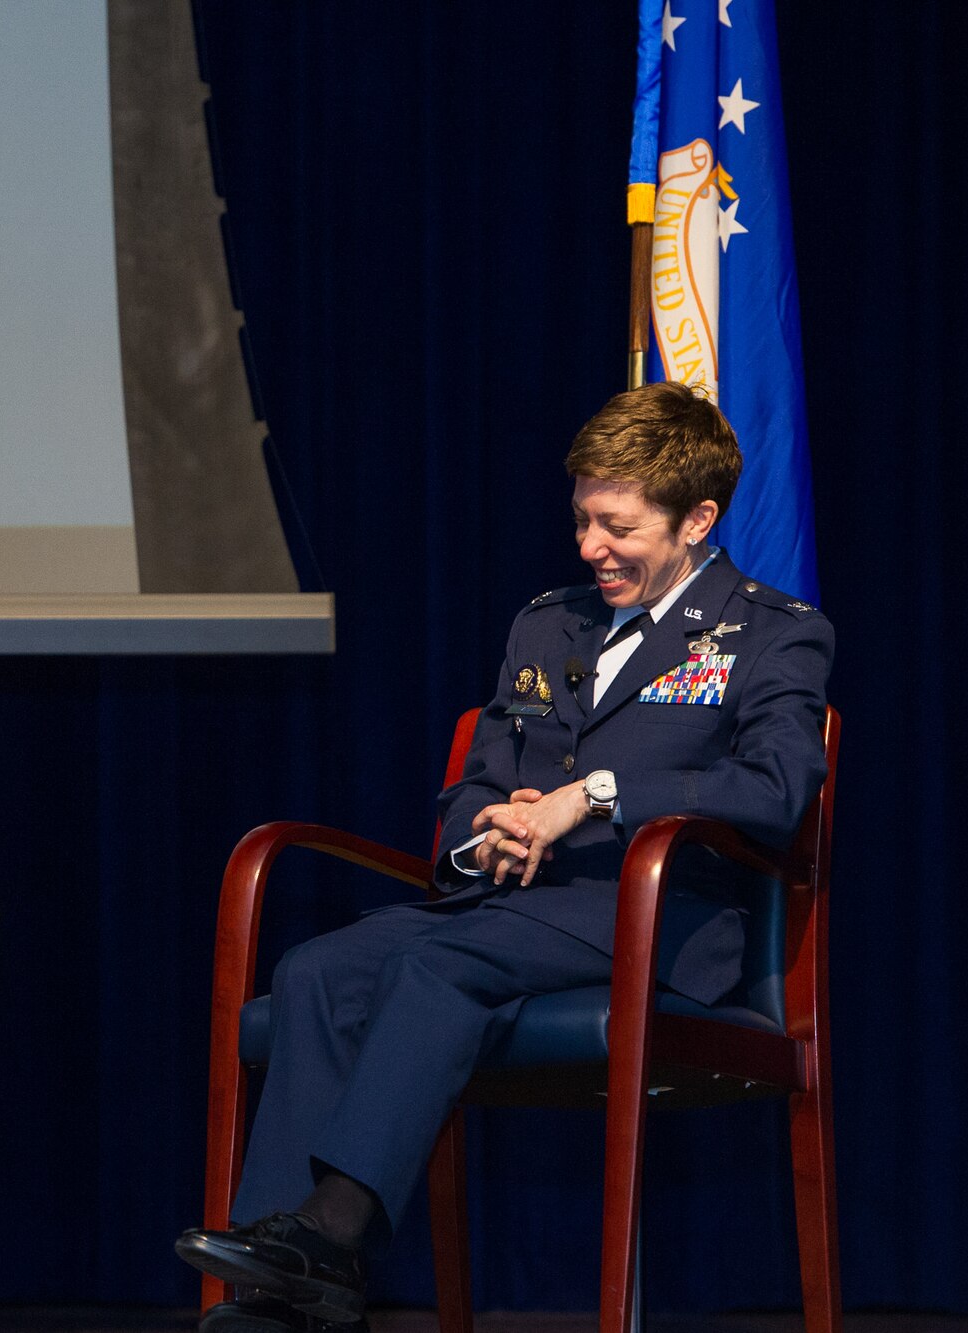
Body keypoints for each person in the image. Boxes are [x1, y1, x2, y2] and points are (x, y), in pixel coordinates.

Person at [174, 382, 832, 1332]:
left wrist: (592, 797)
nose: (589, 548)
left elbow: (777, 790)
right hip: (513, 913)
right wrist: (491, 832)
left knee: (437, 963)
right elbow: (476, 783)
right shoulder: (548, 622)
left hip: (659, 920)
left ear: (697, 520)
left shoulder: (773, 629)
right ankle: (283, 1289)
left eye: (615, 525)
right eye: (579, 520)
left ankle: (328, 1233)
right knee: (315, 970)